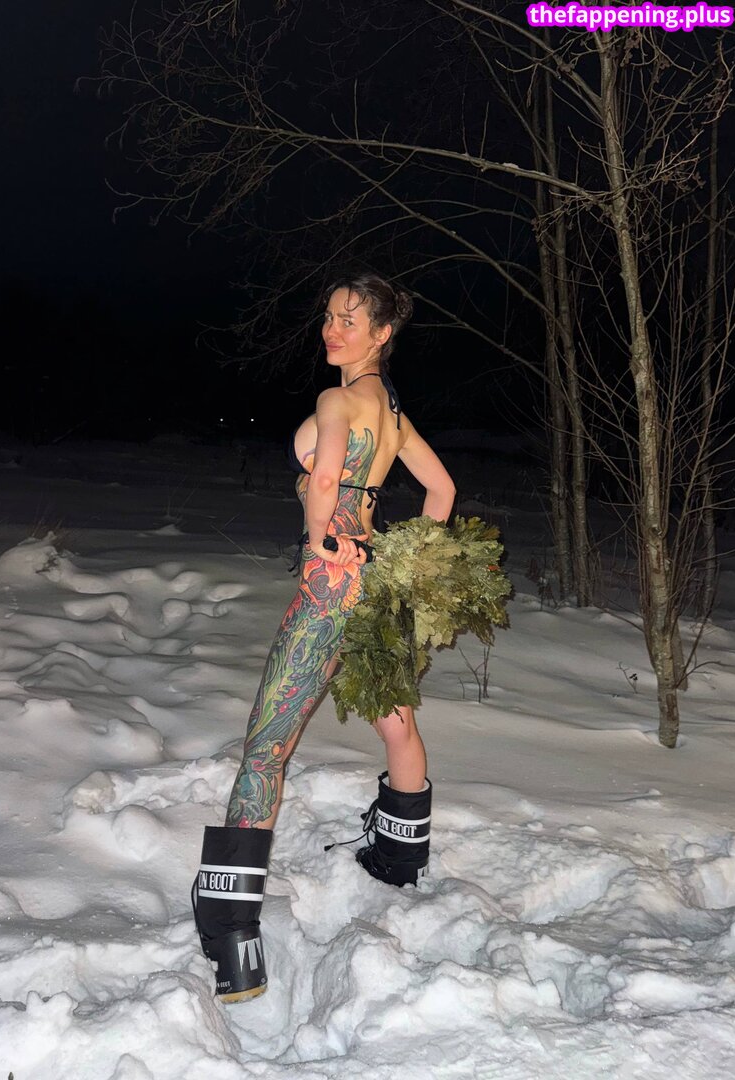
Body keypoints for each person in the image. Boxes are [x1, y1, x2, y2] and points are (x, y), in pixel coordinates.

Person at [191, 272, 456, 1003]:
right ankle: (399, 863)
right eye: (330, 317)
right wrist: (404, 563)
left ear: (382, 334)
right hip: (375, 588)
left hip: (330, 589)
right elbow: (441, 493)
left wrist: (320, 539)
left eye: (349, 320)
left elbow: (327, 479)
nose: (331, 330)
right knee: (396, 723)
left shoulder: (337, 402)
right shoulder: (394, 415)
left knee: (267, 746)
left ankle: (230, 931)